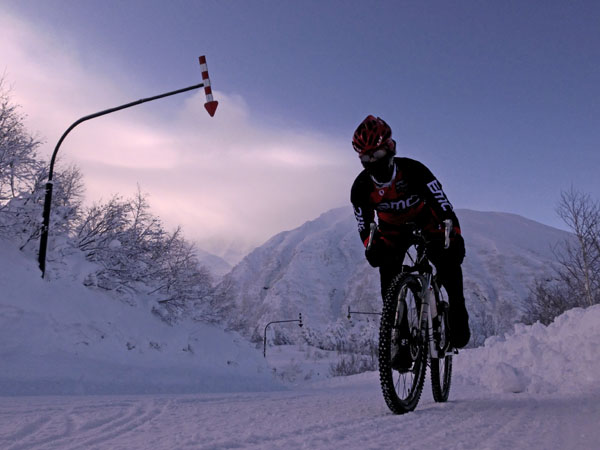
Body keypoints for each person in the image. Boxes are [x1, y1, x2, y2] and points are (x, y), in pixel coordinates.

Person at [350, 115, 470, 354]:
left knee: (449, 267)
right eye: (366, 157)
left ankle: (457, 312)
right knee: (389, 286)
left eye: (377, 154)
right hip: (392, 231)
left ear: (390, 148)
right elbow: (364, 224)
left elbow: (443, 205)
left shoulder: (415, 171)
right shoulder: (361, 188)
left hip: (427, 222)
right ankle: (401, 339)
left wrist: (453, 235)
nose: (372, 161)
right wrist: (370, 246)